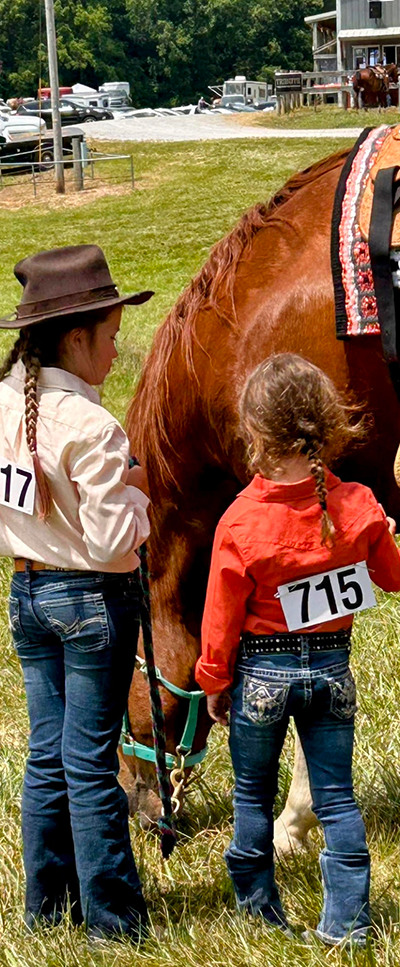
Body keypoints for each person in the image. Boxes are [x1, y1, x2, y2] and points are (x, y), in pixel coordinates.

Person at [196, 353, 400, 947]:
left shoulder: (238, 521)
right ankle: (348, 923)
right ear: (329, 425)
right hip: (333, 671)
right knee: (339, 800)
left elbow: (220, 620)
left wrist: (215, 682)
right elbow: (391, 577)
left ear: (255, 433)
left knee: (252, 798)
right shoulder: (358, 504)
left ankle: (258, 911)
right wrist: (384, 536)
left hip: (259, 674)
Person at [1, 244, 153, 939]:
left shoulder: (4, 404)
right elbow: (113, 542)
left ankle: (46, 904)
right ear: (75, 336)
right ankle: (113, 920)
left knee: (47, 752)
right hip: (93, 601)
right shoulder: (94, 426)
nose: (116, 352)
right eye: (112, 338)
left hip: (27, 594)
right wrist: (139, 493)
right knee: (91, 760)